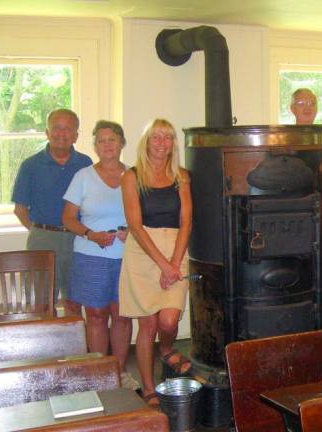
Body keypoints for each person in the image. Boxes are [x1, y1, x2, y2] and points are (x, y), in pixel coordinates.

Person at [119, 118, 193, 406]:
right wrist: (163, 266)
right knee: (147, 325)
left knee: (169, 319)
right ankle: (149, 388)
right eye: (156, 137)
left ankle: (168, 349)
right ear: (146, 142)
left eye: (167, 137)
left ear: (173, 143)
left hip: (176, 247)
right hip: (143, 250)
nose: (162, 143)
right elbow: (135, 226)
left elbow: (186, 222)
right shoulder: (131, 176)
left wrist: (173, 264)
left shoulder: (182, 176)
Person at [61, 120, 138, 390]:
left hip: (126, 256)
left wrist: (133, 231)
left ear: (122, 143)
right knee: (95, 314)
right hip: (90, 255)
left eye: (112, 139)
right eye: (101, 140)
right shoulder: (83, 176)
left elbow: (145, 216)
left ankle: (118, 372)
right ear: (95, 145)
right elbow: (68, 218)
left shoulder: (134, 175)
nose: (107, 145)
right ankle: (98, 373)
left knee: (122, 314)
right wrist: (89, 234)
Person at [12, 109, 93, 316]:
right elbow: (20, 209)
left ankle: (74, 348)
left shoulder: (86, 164)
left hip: (78, 240)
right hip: (42, 239)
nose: (61, 134)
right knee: (42, 304)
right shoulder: (30, 165)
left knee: (74, 303)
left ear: (76, 135)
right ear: (47, 132)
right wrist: (41, 231)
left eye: (68, 129)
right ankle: (46, 348)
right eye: (56, 128)